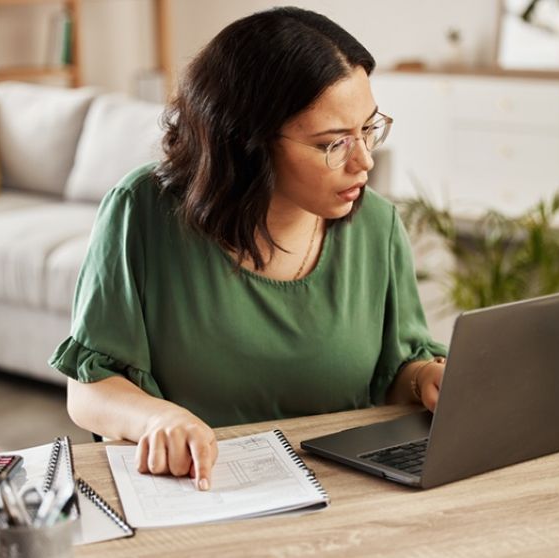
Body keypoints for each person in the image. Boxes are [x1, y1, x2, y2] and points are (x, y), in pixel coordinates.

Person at [49, 6, 448, 492]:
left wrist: (426, 378)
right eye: (333, 143)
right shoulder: (143, 212)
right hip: (201, 495)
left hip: (349, 498)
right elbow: (87, 389)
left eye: (368, 128)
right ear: (247, 143)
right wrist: (155, 420)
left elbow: (395, 372)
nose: (364, 160)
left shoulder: (377, 225)